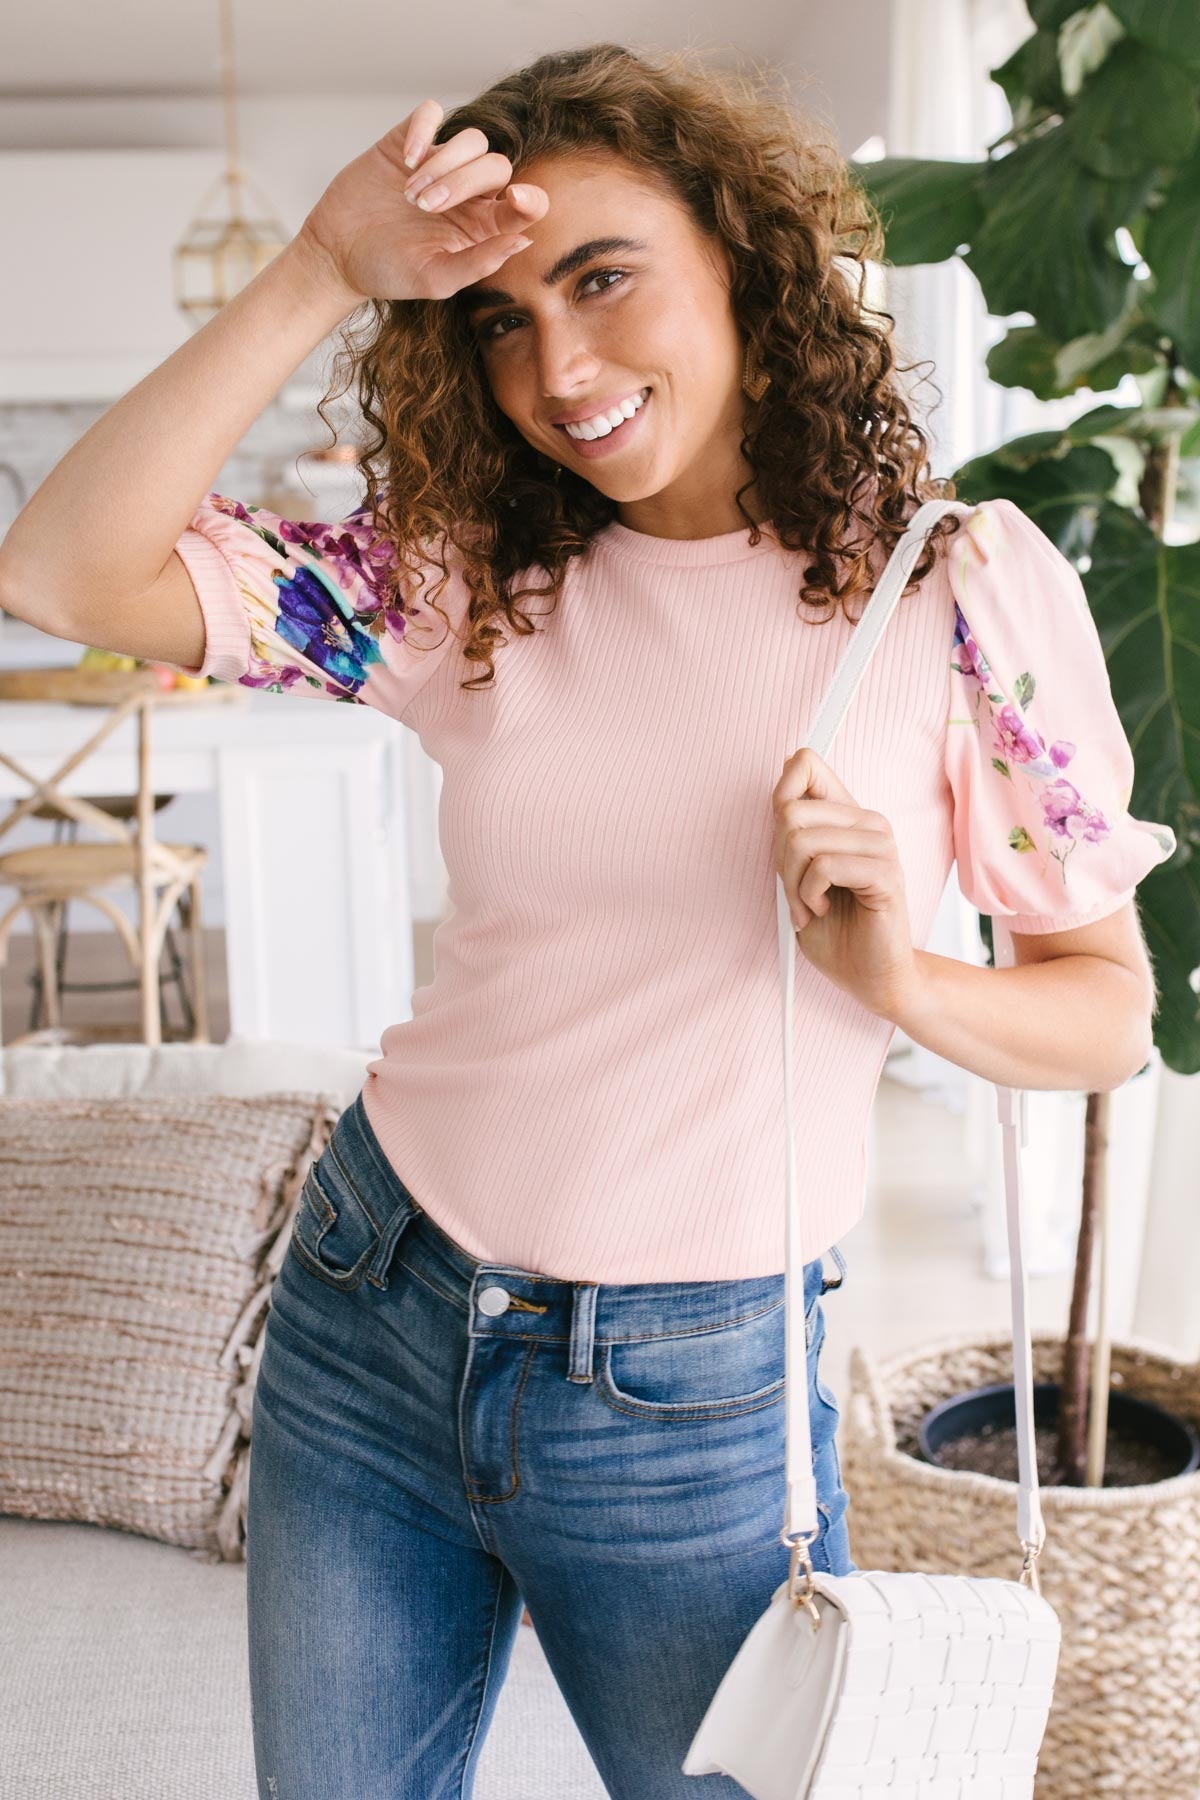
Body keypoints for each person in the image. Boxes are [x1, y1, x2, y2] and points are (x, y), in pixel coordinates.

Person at [0, 43, 1175, 1800]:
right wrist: (323, 266)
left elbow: (1108, 1010)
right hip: (369, 1303)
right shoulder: (473, 582)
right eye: (494, 316)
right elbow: (62, 571)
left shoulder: (956, 585)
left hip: (690, 1398)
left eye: (601, 277)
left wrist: (902, 978)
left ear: (744, 260)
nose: (555, 365)